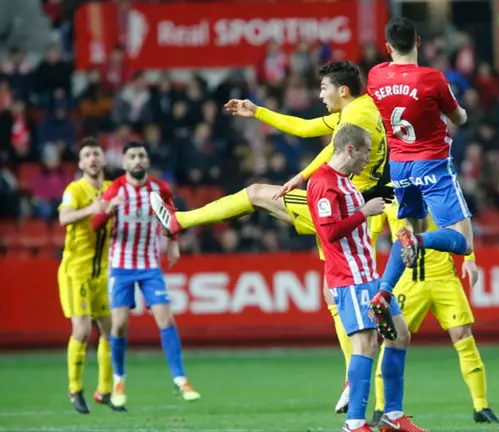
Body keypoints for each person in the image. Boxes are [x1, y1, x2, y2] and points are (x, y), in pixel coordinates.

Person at [149, 61, 395, 409]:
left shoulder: (358, 118)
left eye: (324, 88)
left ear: (342, 90)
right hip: (352, 205)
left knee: (256, 194)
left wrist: (300, 177)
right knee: (332, 292)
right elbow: (307, 128)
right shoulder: (362, 108)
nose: (320, 95)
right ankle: (351, 381)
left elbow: (336, 152)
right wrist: (258, 112)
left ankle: (179, 221)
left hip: (342, 205)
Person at [307, 124, 427, 432]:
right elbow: (329, 232)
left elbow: (346, 208)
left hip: (368, 274)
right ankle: (355, 422)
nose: (369, 159)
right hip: (350, 277)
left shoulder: (342, 180)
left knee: (399, 335)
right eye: (366, 153)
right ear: (350, 150)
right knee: (364, 345)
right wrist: (365, 211)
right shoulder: (322, 183)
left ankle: (393, 416)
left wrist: (370, 195)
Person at [366, 17, 474, 299]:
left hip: (399, 166)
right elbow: (459, 118)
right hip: (432, 162)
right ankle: (417, 242)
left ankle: (385, 290)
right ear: (418, 42)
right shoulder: (432, 78)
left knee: (414, 226)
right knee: (463, 242)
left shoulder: (375, 75)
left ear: (388, 47)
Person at [367, 202, 499, 424]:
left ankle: (481, 407)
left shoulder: (437, 189)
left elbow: (461, 218)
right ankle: (381, 407)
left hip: (444, 278)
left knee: (463, 335)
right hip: (407, 280)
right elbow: (371, 235)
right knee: (392, 339)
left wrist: (469, 259)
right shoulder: (390, 193)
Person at [92, 142, 200, 410]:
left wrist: (173, 243)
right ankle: (119, 379)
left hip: (150, 264)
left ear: (147, 161)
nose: (137, 160)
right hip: (120, 266)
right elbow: (95, 225)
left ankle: (180, 379)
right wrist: (109, 210)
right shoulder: (115, 189)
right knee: (118, 326)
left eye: (141, 155)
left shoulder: (159, 188)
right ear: (125, 163)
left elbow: (170, 216)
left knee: (165, 318)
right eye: (132, 156)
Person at [57, 138, 116, 413]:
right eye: (87, 155)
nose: (92, 158)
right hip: (76, 271)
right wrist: (92, 211)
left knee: (110, 329)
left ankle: (104, 390)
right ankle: (74, 388)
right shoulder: (75, 189)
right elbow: (64, 218)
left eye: (96, 153)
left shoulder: (110, 190)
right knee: (81, 331)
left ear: (103, 160)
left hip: (102, 271)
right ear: (81, 163)